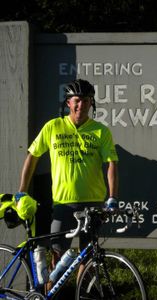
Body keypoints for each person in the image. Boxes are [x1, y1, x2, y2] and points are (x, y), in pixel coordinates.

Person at [18, 79, 119, 276]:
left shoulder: (101, 131)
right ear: (68, 103)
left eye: (86, 100)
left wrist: (113, 197)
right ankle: (50, 294)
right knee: (57, 257)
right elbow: (33, 155)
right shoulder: (53, 127)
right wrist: (22, 190)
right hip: (63, 204)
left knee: (88, 257)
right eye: (77, 100)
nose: (81, 104)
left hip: (93, 204)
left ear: (92, 104)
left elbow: (112, 164)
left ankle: (79, 294)